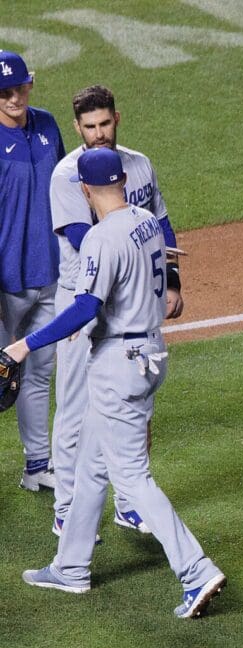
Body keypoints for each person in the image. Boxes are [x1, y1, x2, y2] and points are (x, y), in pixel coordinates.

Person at [11, 148, 225, 618]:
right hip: (149, 353)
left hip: (119, 364)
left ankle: (196, 570)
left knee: (132, 476)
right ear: (122, 181)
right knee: (91, 465)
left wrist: (25, 344)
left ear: (86, 190)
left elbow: (86, 307)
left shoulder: (101, 237)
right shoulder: (146, 222)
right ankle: (70, 567)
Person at [49, 84, 184, 537]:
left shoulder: (139, 164)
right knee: (74, 406)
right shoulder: (67, 176)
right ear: (77, 127)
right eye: (90, 126)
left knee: (135, 406)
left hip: (127, 297)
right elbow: (82, 239)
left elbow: (161, 222)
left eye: (105, 123)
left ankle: (129, 502)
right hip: (81, 298)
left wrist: (172, 281)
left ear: (117, 118)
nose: (99, 133)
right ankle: (67, 508)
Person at [0, 49, 64, 492]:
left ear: (30, 84)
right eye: (4, 92)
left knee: (38, 371)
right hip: (5, 284)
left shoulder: (48, 126)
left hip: (51, 273)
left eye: (18, 88)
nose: (13, 98)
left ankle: (37, 465)